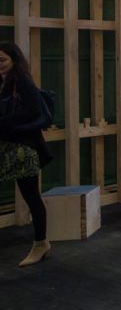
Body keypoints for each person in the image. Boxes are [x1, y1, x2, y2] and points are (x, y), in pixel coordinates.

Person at [0, 42, 53, 266]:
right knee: (30, 195)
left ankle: (41, 243)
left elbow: (33, 111)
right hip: (6, 146)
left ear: (14, 60)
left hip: (23, 148)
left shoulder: (21, 81)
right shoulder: (2, 83)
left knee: (31, 196)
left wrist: (4, 122)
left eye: (2, 60)